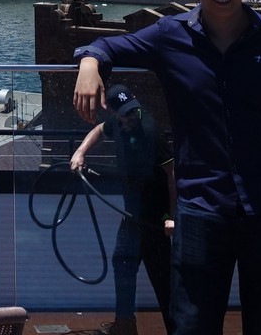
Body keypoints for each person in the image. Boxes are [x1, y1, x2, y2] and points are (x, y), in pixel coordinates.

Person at [74, 0, 261, 335]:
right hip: (200, 211)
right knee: (191, 326)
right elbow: (111, 47)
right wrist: (89, 64)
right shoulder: (169, 37)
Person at [69, 83, 175, 335]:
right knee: (122, 263)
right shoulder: (116, 123)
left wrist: (172, 216)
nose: (129, 118)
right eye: (124, 114)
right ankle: (125, 325)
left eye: (132, 112)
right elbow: (98, 129)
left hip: (154, 219)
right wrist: (81, 152)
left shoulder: (151, 131)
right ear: (114, 113)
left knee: (163, 279)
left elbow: (172, 175)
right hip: (132, 215)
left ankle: (178, 328)